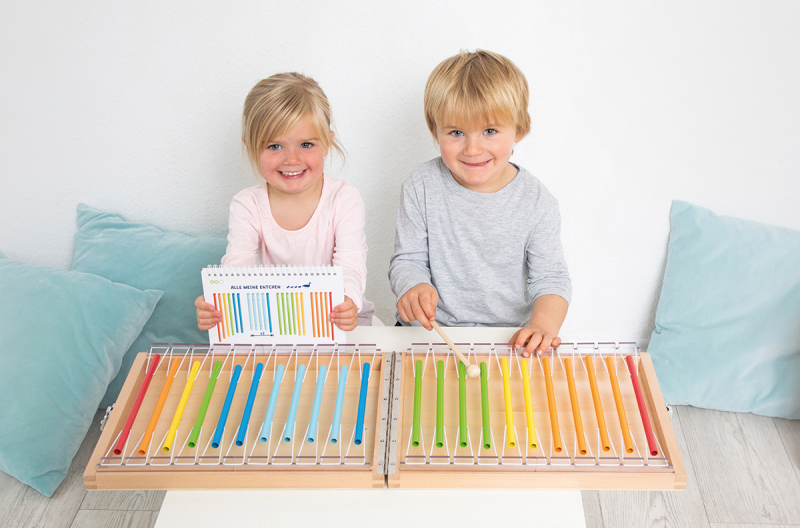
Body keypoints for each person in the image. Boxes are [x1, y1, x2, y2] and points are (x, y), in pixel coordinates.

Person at [388, 50, 571, 357]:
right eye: (456, 132)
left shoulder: (538, 201)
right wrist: (413, 286)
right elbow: (407, 260)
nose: (473, 149)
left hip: (506, 339)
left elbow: (551, 278)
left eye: (489, 131)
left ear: (519, 129)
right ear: (435, 131)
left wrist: (542, 325)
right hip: (429, 333)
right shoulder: (421, 185)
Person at [196, 73, 373, 331]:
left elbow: (351, 265)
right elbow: (237, 266)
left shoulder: (344, 198)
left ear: (327, 143)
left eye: (306, 144)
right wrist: (219, 302)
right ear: (251, 146)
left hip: (340, 321)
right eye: (275, 146)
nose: (292, 159)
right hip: (280, 324)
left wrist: (348, 300)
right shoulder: (247, 205)